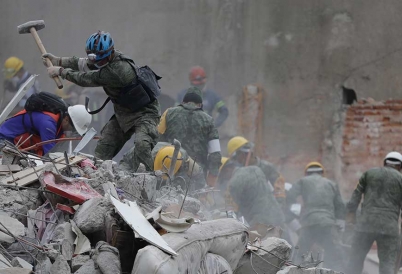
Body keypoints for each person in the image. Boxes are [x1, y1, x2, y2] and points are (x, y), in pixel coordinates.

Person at [43, 31, 160, 171]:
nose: (98, 63)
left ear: (110, 53)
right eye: (95, 60)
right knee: (103, 148)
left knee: (142, 145)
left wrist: (61, 71)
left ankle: (146, 179)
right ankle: (96, 175)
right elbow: (82, 63)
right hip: (123, 113)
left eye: (101, 60)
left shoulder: (118, 70)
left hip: (144, 113)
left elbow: (86, 79)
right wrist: (59, 60)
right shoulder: (102, 60)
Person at [346, 152, 402, 274]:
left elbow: (355, 195)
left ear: (385, 163)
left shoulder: (368, 173)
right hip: (389, 227)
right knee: (387, 266)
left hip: (365, 224)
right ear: (400, 166)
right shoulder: (400, 179)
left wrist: (351, 218)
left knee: (355, 260)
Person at [287, 162, 345, 271]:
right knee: (335, 257)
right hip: (328, 224)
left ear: (306, 173)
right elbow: (340, 206)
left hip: (309, 223)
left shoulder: (302, 181)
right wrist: (340, 227)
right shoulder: (331, 184)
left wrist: (295, 213)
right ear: (322, 173)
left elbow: (289, 197)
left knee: (299, 256)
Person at [158, 87, 222, 187]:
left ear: (183, 102)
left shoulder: (168, 113)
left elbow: (157, 141)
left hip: (169, 172)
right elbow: (215, 155)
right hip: (196, 178)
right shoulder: (209, 120)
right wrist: (211, 183)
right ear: (200, 105)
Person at [0, 104, 91, 156]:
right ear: (66, 119)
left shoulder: (59, 125)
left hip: (20, 145)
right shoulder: (48, 124)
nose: (71, 132)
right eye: (73, 128)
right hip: (5, 140)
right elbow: (49, 155)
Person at [227, 136, 286, 204]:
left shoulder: (267, 168)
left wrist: (277, 209)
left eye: (236, 158)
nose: (236, 162)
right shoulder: (238, 174)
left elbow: (280, 193)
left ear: (242, 155)